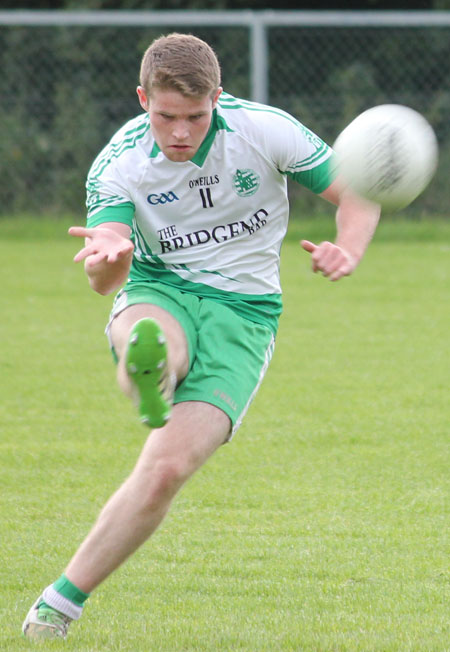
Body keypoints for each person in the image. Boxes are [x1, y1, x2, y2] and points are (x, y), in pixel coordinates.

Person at [22, 33, 380, 640]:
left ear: (219, 96)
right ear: (143, 99)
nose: (180, 131)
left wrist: (347, 249)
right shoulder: (120, 163)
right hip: (161, 286)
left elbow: (356, 194)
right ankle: (152, 366)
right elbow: (102, 276)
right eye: (165, 116)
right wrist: (109, 255)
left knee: (168, 468)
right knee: (155, 335)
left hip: (246, 312)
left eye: (195, 116)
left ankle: (60, 602)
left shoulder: (264, 130)